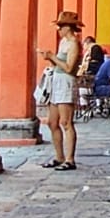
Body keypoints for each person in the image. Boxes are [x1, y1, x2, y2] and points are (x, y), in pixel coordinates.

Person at [38, 11, 85, 171]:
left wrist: (53, 56)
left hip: (66, 83)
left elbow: (70, 68)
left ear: (68, 27)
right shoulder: (63, 42)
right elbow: (59, 64)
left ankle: (70, 159)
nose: (58, 30)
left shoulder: (73, 44)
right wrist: (50, 58)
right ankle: (59, 156)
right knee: (52, 122)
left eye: (60, 27)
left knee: (66, 122)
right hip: (56, 81)